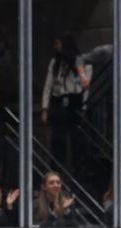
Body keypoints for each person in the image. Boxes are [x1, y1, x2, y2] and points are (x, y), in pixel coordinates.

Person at [41, 34, 90, 171]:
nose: (56, 47)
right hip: (58, 101)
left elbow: (85, 85)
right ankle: (56, 170)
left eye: (58, 43)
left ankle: (78, 170)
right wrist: (45, 108)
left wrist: (84, 105)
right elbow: (48, 85)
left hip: (74, 100)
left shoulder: (79, 61)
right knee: (58, 139)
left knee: (76, 139)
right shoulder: (55, 62)